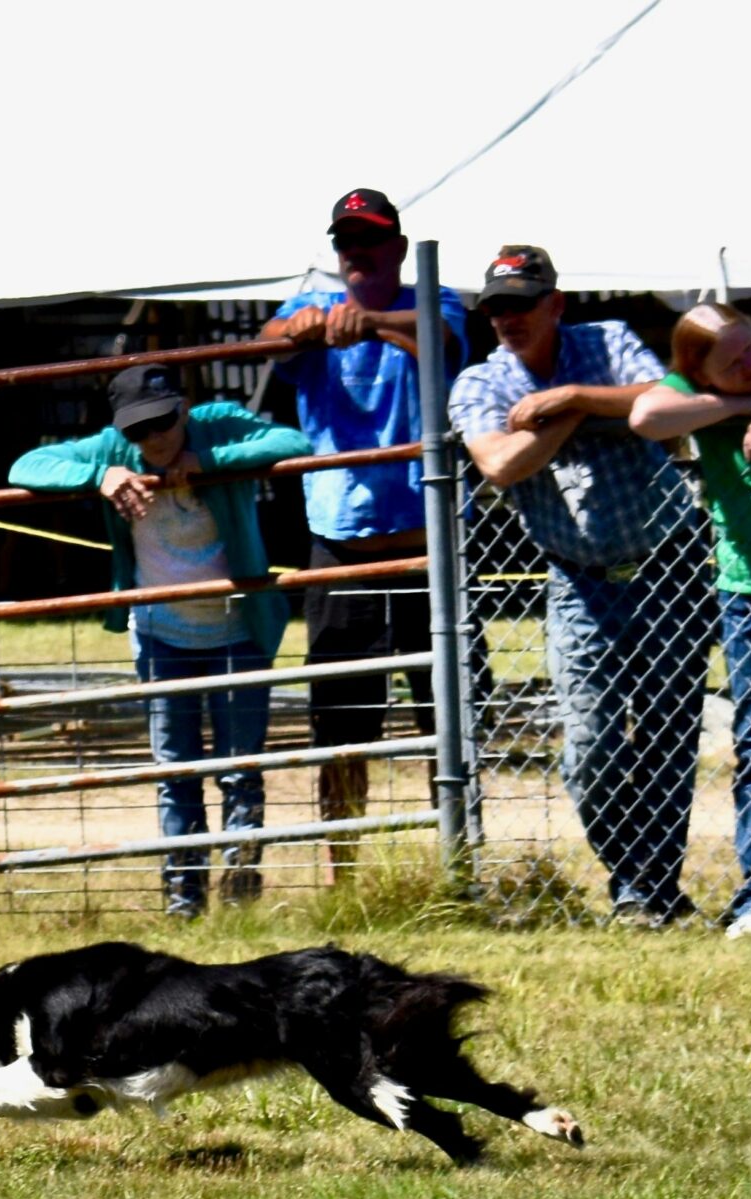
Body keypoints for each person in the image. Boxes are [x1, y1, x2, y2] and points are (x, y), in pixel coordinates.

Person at [450, 246, 712, 929]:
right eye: (497, 307)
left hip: (669, 563)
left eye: (521, 303)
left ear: (556, 304)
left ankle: (649, 895)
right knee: (589, 746)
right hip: (578, 579)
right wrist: (584, 416)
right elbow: (503, 464)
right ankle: (638, 881)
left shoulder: (608, 340)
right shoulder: (480, 382)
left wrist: (565, 399)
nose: (508, 318)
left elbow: (664, 396)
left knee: (667, 735)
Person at [8, 365, 312, 916]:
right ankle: (183, 899)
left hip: (239, 628)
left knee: (240, 765)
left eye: (163, 423)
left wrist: (210, 463)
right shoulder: (109, 451)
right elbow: (26, 464)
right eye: (137, 430)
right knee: (175, 771)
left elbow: (291, 438)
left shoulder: (218, 425)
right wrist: (97, 478)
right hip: (158, 635)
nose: (153, 439)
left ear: (184, 407)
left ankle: (241, 891)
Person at [260, 189, 471, 873]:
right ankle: (341, 868)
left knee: (448, 713)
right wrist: (313, 326)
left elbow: (441, 342)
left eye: (370, 239)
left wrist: (371, 322)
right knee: (341, 719)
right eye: (346, 240)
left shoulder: (436, 301)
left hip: (424, 548)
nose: (357, 251)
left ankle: (458, 859)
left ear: (398, 249)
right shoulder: (309, 309)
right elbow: (268, 340)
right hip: (340, 547)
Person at [629, 304, 751, 939]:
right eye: (732, 362)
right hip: (750, 595)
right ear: (696, 370)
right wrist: (741, 405)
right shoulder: (692, 394)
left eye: (749, 349)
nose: (750, 362)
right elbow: (644, 417)